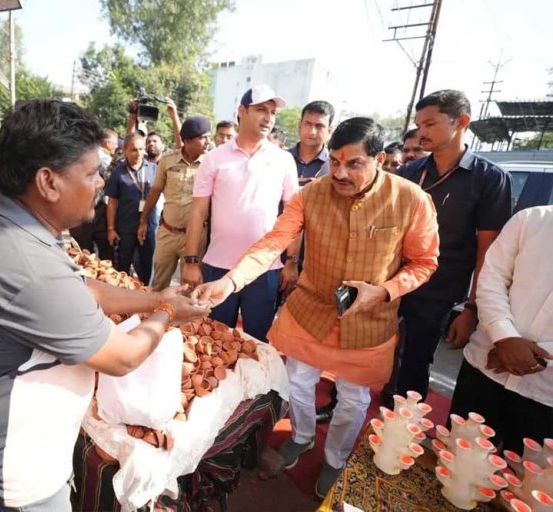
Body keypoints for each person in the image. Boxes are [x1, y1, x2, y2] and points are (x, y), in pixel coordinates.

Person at [0, 99, 210, 511]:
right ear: (48, 182)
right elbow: (122, 357)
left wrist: (158, 297)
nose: (100, 182)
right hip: (13, 474)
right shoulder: (25, 262)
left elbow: (86, 288)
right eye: (90, 173)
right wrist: (170, 314)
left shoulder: (6, 226)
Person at [194, 117, 439, 497]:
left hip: (369, 320)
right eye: (335, 161)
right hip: (311, 309)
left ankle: (336, 459)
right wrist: (230, 281)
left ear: (379, 159)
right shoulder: (310, 195)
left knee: (353, 400)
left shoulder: (410, 200)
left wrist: (387, 291)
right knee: (296, 381)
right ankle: (303, 436)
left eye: (353, 164)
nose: (339, 173)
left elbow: (425, 262)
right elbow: (273, 242)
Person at [394, 89, 512, 400]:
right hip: (395, 281)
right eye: (419, 125)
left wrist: (472, 308)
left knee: (415, 362)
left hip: (439, 291)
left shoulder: (489, 179)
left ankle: (404, 427)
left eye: (430, 124)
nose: (422, 133)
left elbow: (489, 251)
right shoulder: (409, 173)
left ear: (461, 121)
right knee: (374, 351)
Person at [181, 85, 299, 343]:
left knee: (257, 342)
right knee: (212, 340)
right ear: (242, 111)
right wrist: (191, 261)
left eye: (272, 112)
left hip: (265, 269)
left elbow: (293, 216)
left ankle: (258, 386)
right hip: (218, 267)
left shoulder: (283, 160)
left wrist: (291, 262)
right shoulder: (214, 158)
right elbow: (198, 211)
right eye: (261, 110)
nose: (268, 118)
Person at [450, 205, 553, 454]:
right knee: (453, 462)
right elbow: (491, 278)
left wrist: (536, 357)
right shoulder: (531, 220)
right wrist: (504, 338)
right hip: (485, 367)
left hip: (544, 393)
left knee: (523, 483)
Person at [137, 116, 211, 291]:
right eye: (202, 137)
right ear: (187, 140)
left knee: (190, 289)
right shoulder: (167, 160)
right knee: (158, 285)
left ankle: (182, 320)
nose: (208, 141)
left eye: (208, 136)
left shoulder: (210, 163)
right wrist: (143, 221)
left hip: (195, 238)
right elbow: (154, 192)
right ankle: (153, 317)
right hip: (167, 233)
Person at [105, 133, 158, 285]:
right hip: (125, 228)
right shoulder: (118, 172)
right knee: (123, 266)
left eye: (142, 149)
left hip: (148, 228)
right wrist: (110, 228)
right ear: (125, 150)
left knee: (146, 266)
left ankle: (143, 298)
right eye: (134, 150)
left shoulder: (154, 169)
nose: (139, 154)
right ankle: (123, 300)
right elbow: (112, 202)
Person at [69, 129, 118, 261]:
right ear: (107, 143)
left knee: (84, 255)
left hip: (97, 210)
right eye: (115, 143)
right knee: (86, 253)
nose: (116, 147)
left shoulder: (86, 156)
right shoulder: (100, 158)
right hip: (84, 210)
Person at [287, 100, 335, 186]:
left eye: (319, 126)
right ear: (300, 125)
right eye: (308, 124)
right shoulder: (280, 158)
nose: (312, 132)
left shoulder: (333, 166)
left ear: (329, 131)